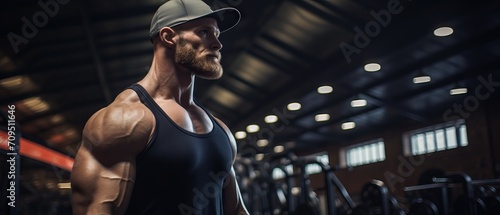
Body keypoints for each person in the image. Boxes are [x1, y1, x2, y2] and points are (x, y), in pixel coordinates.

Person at [70, 0, 249, 214]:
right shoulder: (124, 120)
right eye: (204, 32)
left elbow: (237, 210)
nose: (217, 44)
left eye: (217, 35)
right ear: (168, 37)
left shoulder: (221, 130)